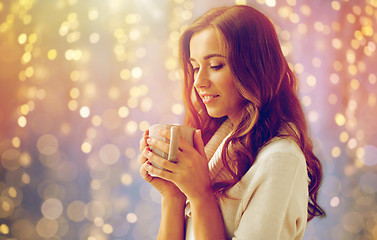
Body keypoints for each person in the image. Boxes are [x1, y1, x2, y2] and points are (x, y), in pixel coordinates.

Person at [138, 4, 325, 240]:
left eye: (215, 65)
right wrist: (174, 195)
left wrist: (201, 195)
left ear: (256, 67)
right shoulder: (220, 146)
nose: (198, 82)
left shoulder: (280, 159)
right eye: (195, 67)